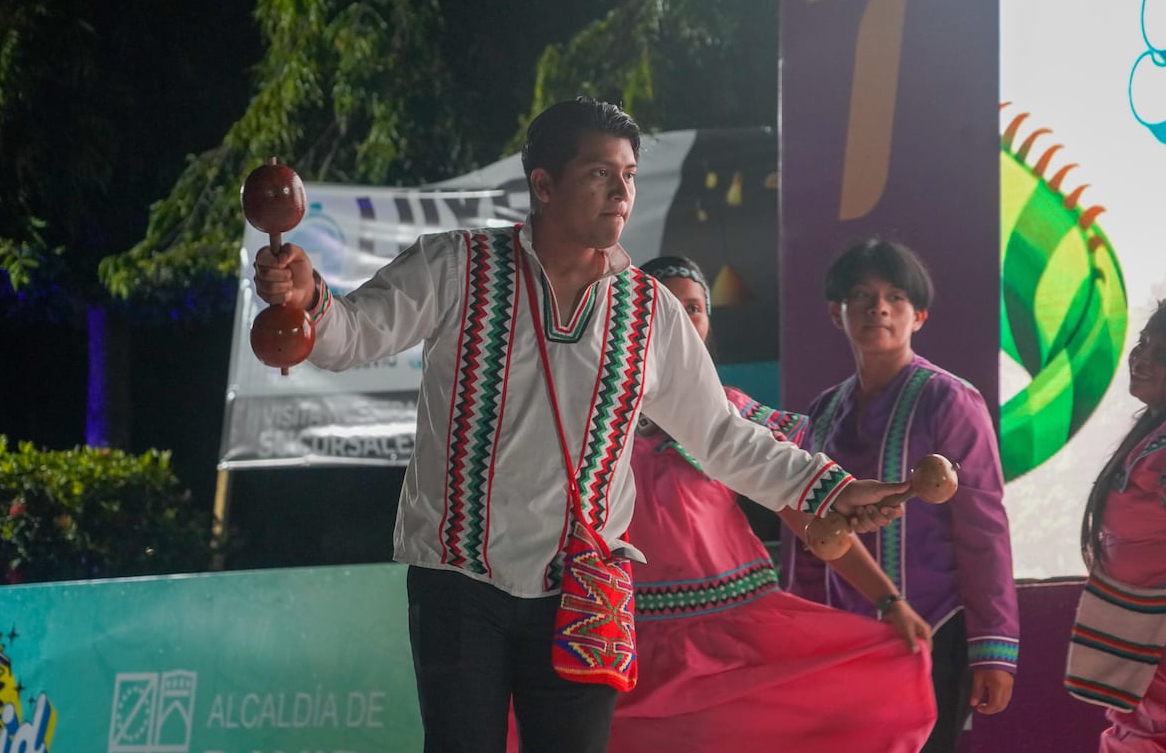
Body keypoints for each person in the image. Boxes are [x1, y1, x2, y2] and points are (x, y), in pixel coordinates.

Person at [253, 97, 906, 753]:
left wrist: (831, 488)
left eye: (628, 175)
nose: (621, 191)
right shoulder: (458, 265)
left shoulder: (650, 310)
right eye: (599, 173)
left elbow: (720, 436)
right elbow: (350, 338)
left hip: (585, 587)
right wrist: (307, 298)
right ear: (543, 185)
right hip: (458, 578)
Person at [598, 255, 937, 753]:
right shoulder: (595, 416)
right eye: (666, 306)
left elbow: (807, 517)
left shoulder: (731, 414)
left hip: (736, 640)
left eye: (694, 308)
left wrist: (888, 600)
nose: (682, 319)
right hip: (625, 638)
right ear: (632, 313)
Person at [779, 238, 1019, 753]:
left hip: (935, 631)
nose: (878, 307)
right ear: (835, 312)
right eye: (861, 295)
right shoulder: (821, 414)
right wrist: (797, 634)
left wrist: (993, 651)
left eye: (895, 297)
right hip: (841, 640)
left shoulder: (950, 400)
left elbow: (985, 530)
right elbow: (807, 539)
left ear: (920, 315)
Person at [1066, 300, 1166, 752]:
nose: (1143, 358)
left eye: (1162, 353)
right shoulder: (1152, 434)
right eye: (1144, 343)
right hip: (1142, 646)